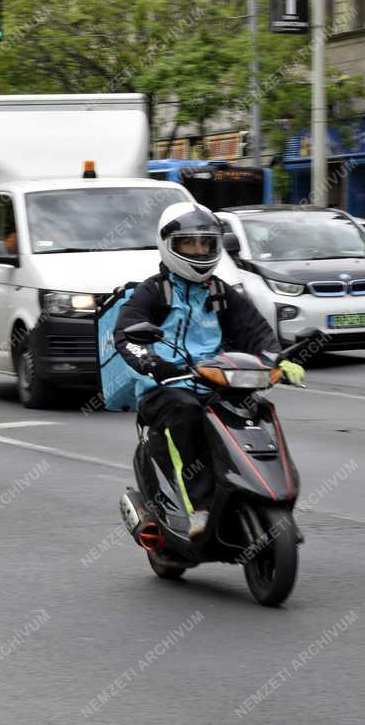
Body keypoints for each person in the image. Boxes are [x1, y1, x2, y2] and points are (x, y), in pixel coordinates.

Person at [114, 202, 305, 539]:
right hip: (166, 387)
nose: (199, 250)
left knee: (258, 410)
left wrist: (278, 359)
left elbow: (255, 331)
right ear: (169, 245)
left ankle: (276, 498)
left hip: (216, 381)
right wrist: (153, 365)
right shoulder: (154, 291)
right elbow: (126, 334)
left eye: (207, 243)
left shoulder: (219, 291)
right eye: (190, 243)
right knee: (185, 412)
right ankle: (199, 507)